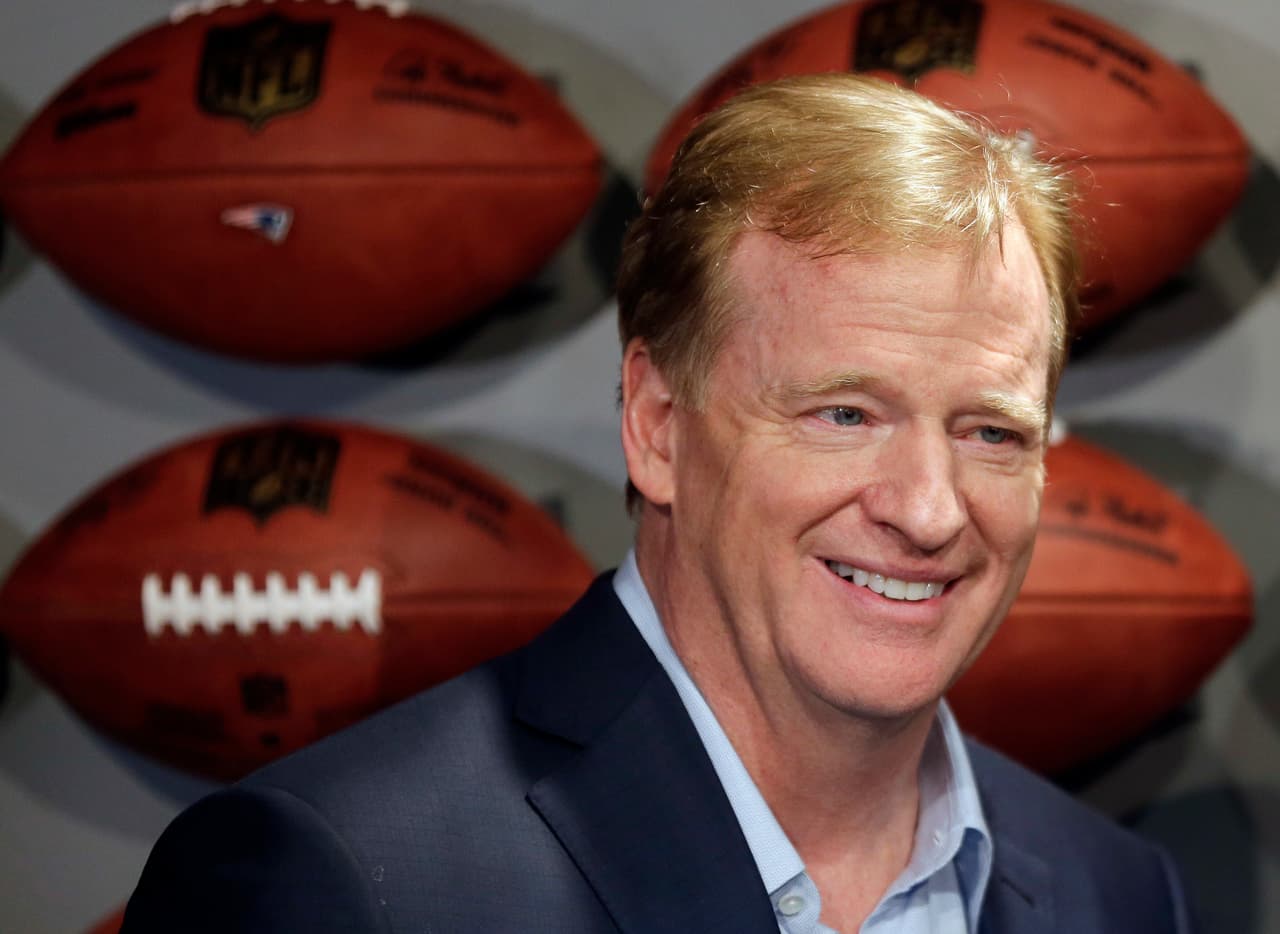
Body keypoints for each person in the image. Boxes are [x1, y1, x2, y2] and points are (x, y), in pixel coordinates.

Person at [122, 74, 1196, 933]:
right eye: (841, 414)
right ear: (656, 426)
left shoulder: (1120, 896)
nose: (925, 510)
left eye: (989, 431)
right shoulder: (341, 878)